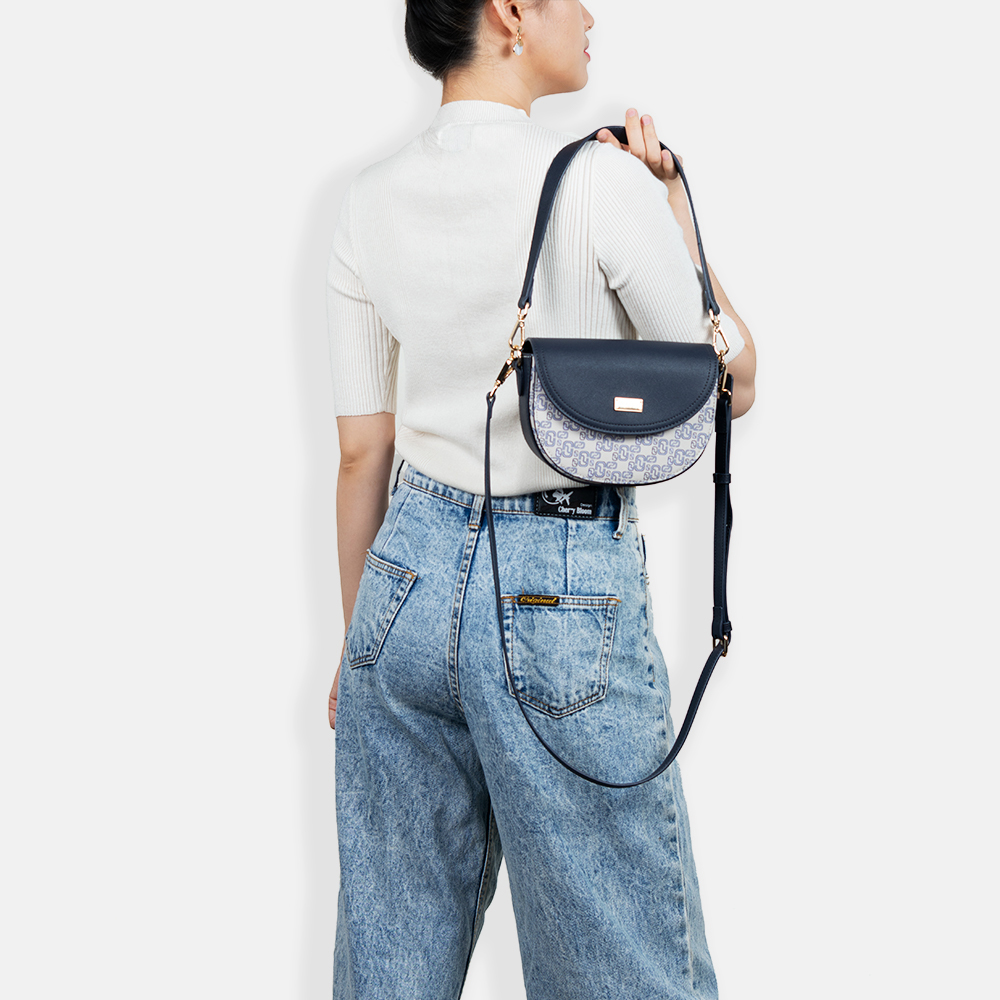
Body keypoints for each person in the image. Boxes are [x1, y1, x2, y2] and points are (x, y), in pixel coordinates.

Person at [325, 1, 757, 996]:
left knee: (390, 966)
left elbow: (360, 452)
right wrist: (677, 218)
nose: (590, 13)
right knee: (619, 963)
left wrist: (360, 641)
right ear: (511, 12)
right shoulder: (600, 183)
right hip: (559, 588)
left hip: (401, 579)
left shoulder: (367, 199)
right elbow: (731, 383)